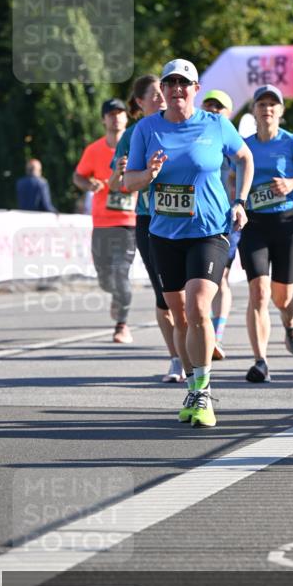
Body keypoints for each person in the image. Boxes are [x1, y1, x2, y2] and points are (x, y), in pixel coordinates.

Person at [124, 59, 254, 428]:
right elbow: (129, 182)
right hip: (164, 234)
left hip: (210, 229)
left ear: (196, 89)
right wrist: (148, 173)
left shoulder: (215, 125)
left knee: (198, 307)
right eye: (171, 83)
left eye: (185, 83)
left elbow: (244, 156)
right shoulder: (146, 129)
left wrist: (240, 201)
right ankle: (192, 383)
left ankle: (202, 390)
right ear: (162, 91)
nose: (177, 89)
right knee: (179, 314)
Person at [240, 85, 293, 382]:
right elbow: (229, 175)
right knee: (259, 293)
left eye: (272, 105)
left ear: (280, 111)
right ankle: (260, 361)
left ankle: (291, 322)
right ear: (253, 110)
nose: (266, 109)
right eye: (261, 104)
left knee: (282, 295)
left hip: (287, 223)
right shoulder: (244, 146)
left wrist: (292, 183)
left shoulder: (292, 143)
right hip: (254, 224)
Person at [108, 76, 184, 382]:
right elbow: (117, 185)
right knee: (165, 296)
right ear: (139, 103)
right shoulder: (133, 134)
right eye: (154, 95)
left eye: (161, 93)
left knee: (193, 293)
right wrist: (119, 172)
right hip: (150, 220)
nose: (161, 99)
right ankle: (177, 358)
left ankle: (201, 338)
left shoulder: (183, 122)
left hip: (189, 220)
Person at [73, 98, 137, 344]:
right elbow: (78, 176)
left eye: (120, 112)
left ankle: (122, 325)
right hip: (101, 223)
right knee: (104, 278)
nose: (116, 117)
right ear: (104, 119)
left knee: (121, 273)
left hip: (128, 222)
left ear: (126, 117)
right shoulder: (94, 150)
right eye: (110, 113)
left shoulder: (136, 146)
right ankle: (116, 295)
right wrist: (88, 184)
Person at [200, 89, 238, 361]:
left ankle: (216, 333)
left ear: (228, 113)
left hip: (227, 219)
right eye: (209, 106)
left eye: (219, 107)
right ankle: (206, 331)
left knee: (220, 278)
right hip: (198, 220)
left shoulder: (235, 142)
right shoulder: (197, 139)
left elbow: (249, 170)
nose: (214, 110)